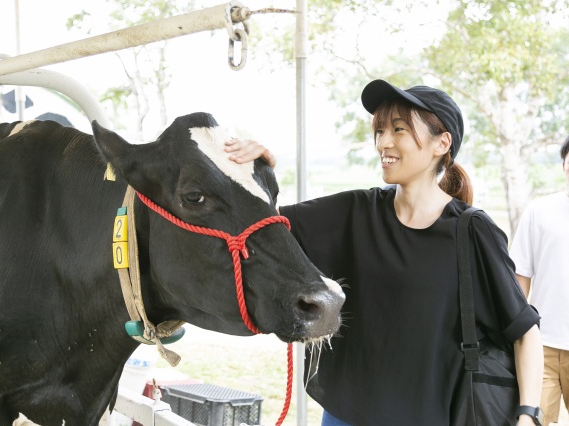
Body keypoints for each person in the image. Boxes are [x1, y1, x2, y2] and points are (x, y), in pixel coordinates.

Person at [225, 79, 544, 425]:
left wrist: (528, 415)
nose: (383, 142)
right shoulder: (355, 212)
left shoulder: (471, 232)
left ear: (442, 142)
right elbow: (261, 229)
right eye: (380, 131)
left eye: (399, 129)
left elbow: (524, 331)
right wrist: (258, 170)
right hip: (344, 416)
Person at [510, 136, 569, 426]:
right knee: (535, 421)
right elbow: (521, 277)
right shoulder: (540, 210)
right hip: (540, 346)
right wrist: (518, 335)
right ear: (563, 164)